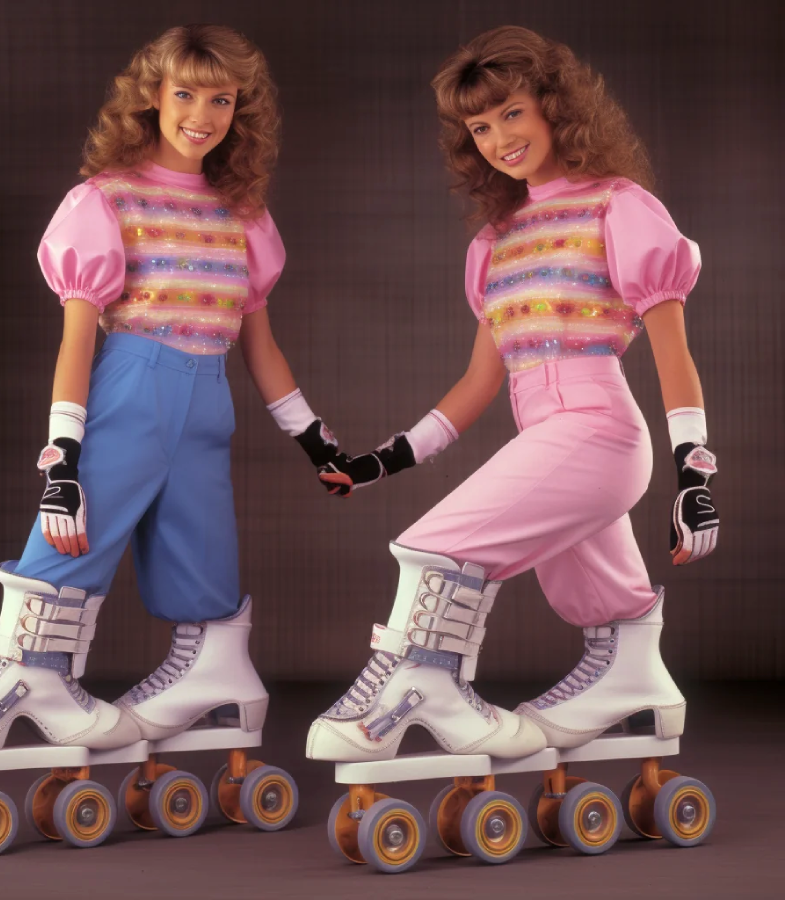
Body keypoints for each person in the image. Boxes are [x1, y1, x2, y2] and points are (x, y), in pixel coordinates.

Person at [0, 24, 343, 754]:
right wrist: (62, 457)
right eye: (185, 93)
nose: (202, 115)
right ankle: (22, 680)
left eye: (221, 98)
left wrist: (313, 439)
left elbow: (261, 346)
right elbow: (78, 339)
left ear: (240, 107)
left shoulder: (242, 216)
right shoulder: (106, 200)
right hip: (132, 387)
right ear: (153, 96)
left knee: (201, 542)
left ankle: (213, 670)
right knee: (75, 531)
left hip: (209, 401)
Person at [307, 25, 718, 762]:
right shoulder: (495, 243)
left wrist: (696, 475)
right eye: (480, 126)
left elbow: (672, 353)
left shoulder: (619, 207)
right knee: (606, 600)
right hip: (548, 442)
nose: (500, 138)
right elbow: (477, 384)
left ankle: (429, 688)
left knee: (434, 548)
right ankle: (632, 674)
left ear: (555, 106)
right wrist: (383, 462)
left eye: (512, 113)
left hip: (599, 433)